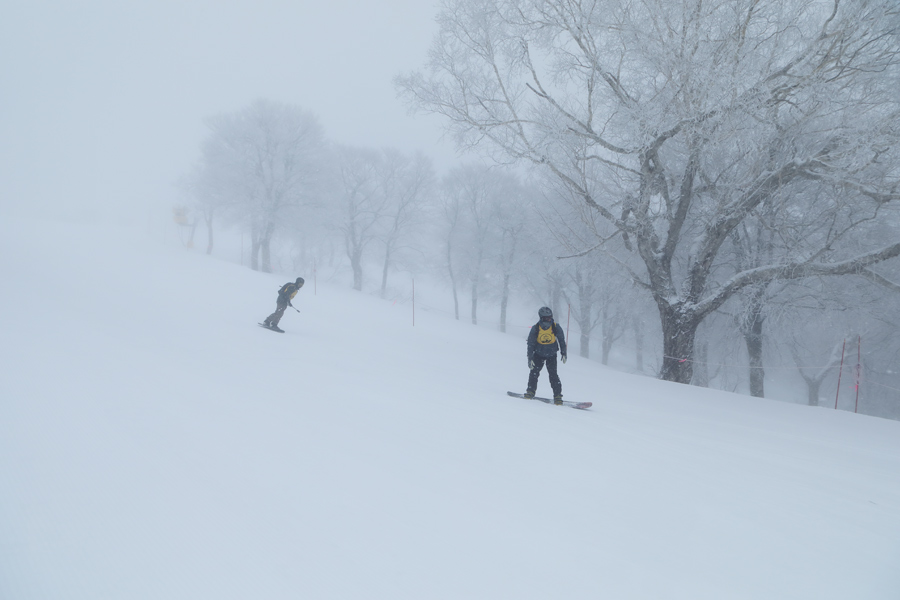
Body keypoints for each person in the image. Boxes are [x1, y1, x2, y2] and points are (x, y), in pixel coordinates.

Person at [525, 306, 567, 404]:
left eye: (550, 317)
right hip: (538, 355)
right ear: (541, 317)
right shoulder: (535, 328)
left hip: (551, 355)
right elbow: (530, 344)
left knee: (553, 375)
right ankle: (530, 392)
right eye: (546, 318)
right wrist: (530, 358)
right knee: (534, 374)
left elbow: (561, 340)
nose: (549, 319)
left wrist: (563, 352)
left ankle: (557, 396)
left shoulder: (556, 327)